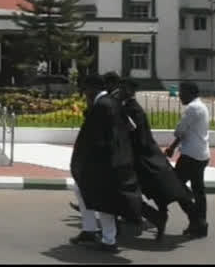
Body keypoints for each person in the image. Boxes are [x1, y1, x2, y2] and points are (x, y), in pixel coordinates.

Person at [119, 78, 201, 241]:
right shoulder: (129, 108)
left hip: (142, 159)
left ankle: (158, 217)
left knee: (155, 191)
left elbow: (136, 137)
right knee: (161, 191)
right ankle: (152, 217)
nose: (120, 91)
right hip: (146, 157)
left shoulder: (132, 110)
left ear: (130, 90)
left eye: (123, 89)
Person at [69, 73, 142, 252]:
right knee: (82, 191)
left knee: (103, 200)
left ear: (93, 88)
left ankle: (108, 240)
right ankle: (89, 230)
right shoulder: (113, 102)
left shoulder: (101, 105)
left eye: (85, 89)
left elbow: (93, 138)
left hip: (103, 162)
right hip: (115, 159)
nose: (84, 93)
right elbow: (130, 126)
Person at [165, 81, 210, 238]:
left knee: (176, 188)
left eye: (182, 92)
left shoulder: (192, 108)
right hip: (202, 154)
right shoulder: (202, 106)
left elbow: (180, 131)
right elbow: (184, 132)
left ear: (191, 93)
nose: (180, 96)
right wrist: (173, 147)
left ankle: (196, 220)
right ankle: (201, 224)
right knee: (199, 191)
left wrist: (171, 148)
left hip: (190, 156)